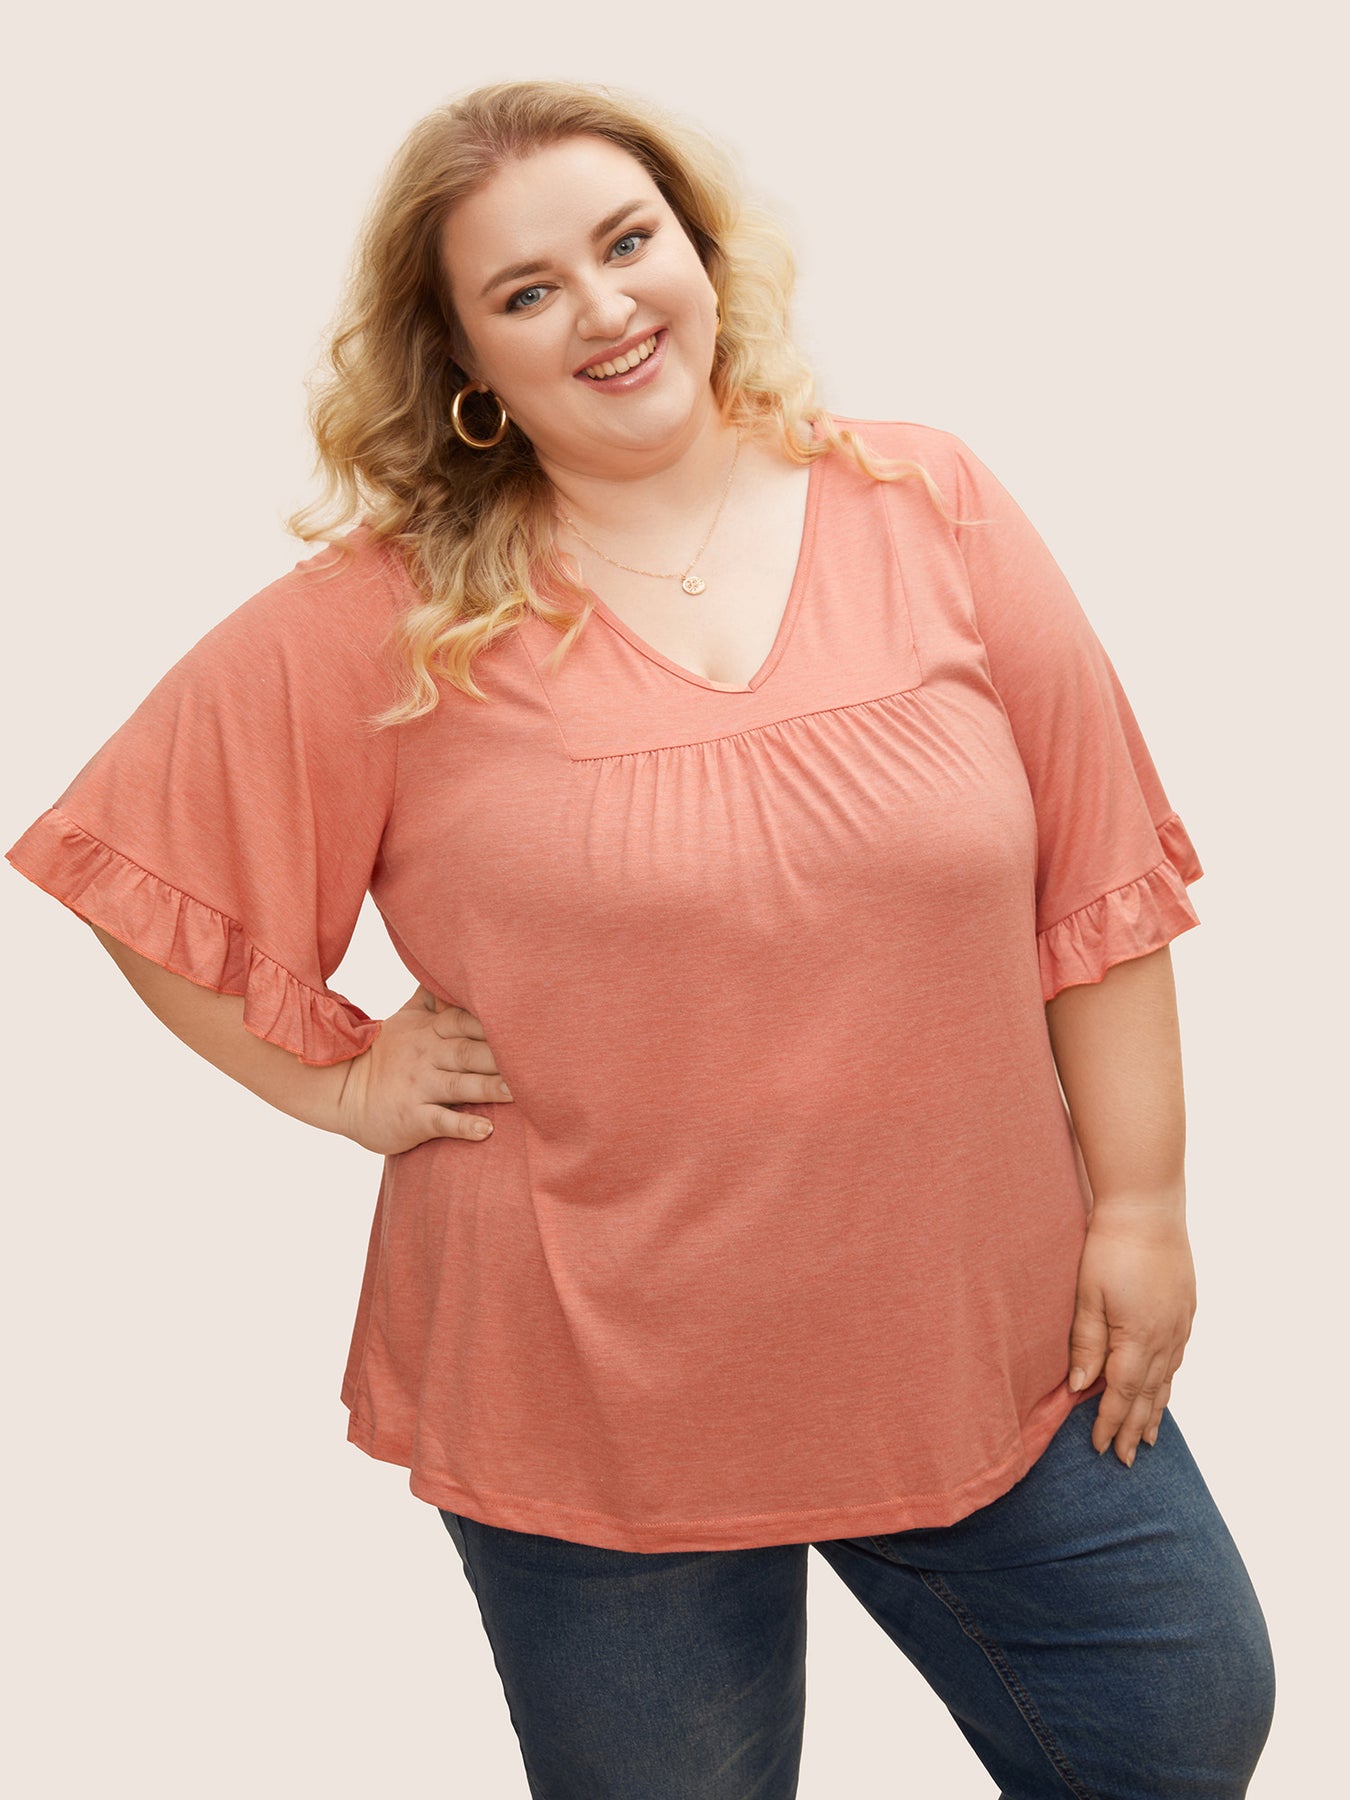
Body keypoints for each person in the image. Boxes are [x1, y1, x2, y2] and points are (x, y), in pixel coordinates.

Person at [5, 77, 1274, 1799]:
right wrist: (339, 1082)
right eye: (527, 290)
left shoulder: (927, 500)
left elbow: (1096, 882)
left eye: (626, 243)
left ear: (698, 249)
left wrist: (1140, 1206)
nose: (603, 309)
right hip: (588, 1385)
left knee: (1180, 1714)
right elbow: (130, 859)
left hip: (978, 1327)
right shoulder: (391, 616)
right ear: (466, 361)